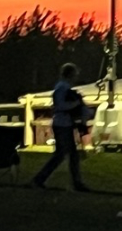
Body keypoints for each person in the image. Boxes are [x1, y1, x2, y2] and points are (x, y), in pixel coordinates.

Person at [31, 63, 90, 192]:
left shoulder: (63, 87)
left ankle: (75, 182)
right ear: (70, 74)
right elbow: (59, 106)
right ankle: (40, 179)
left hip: (65, 124)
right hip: (62, 124)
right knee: (62, 155)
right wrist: (75, 104)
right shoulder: (62, 88)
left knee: (69, 155)